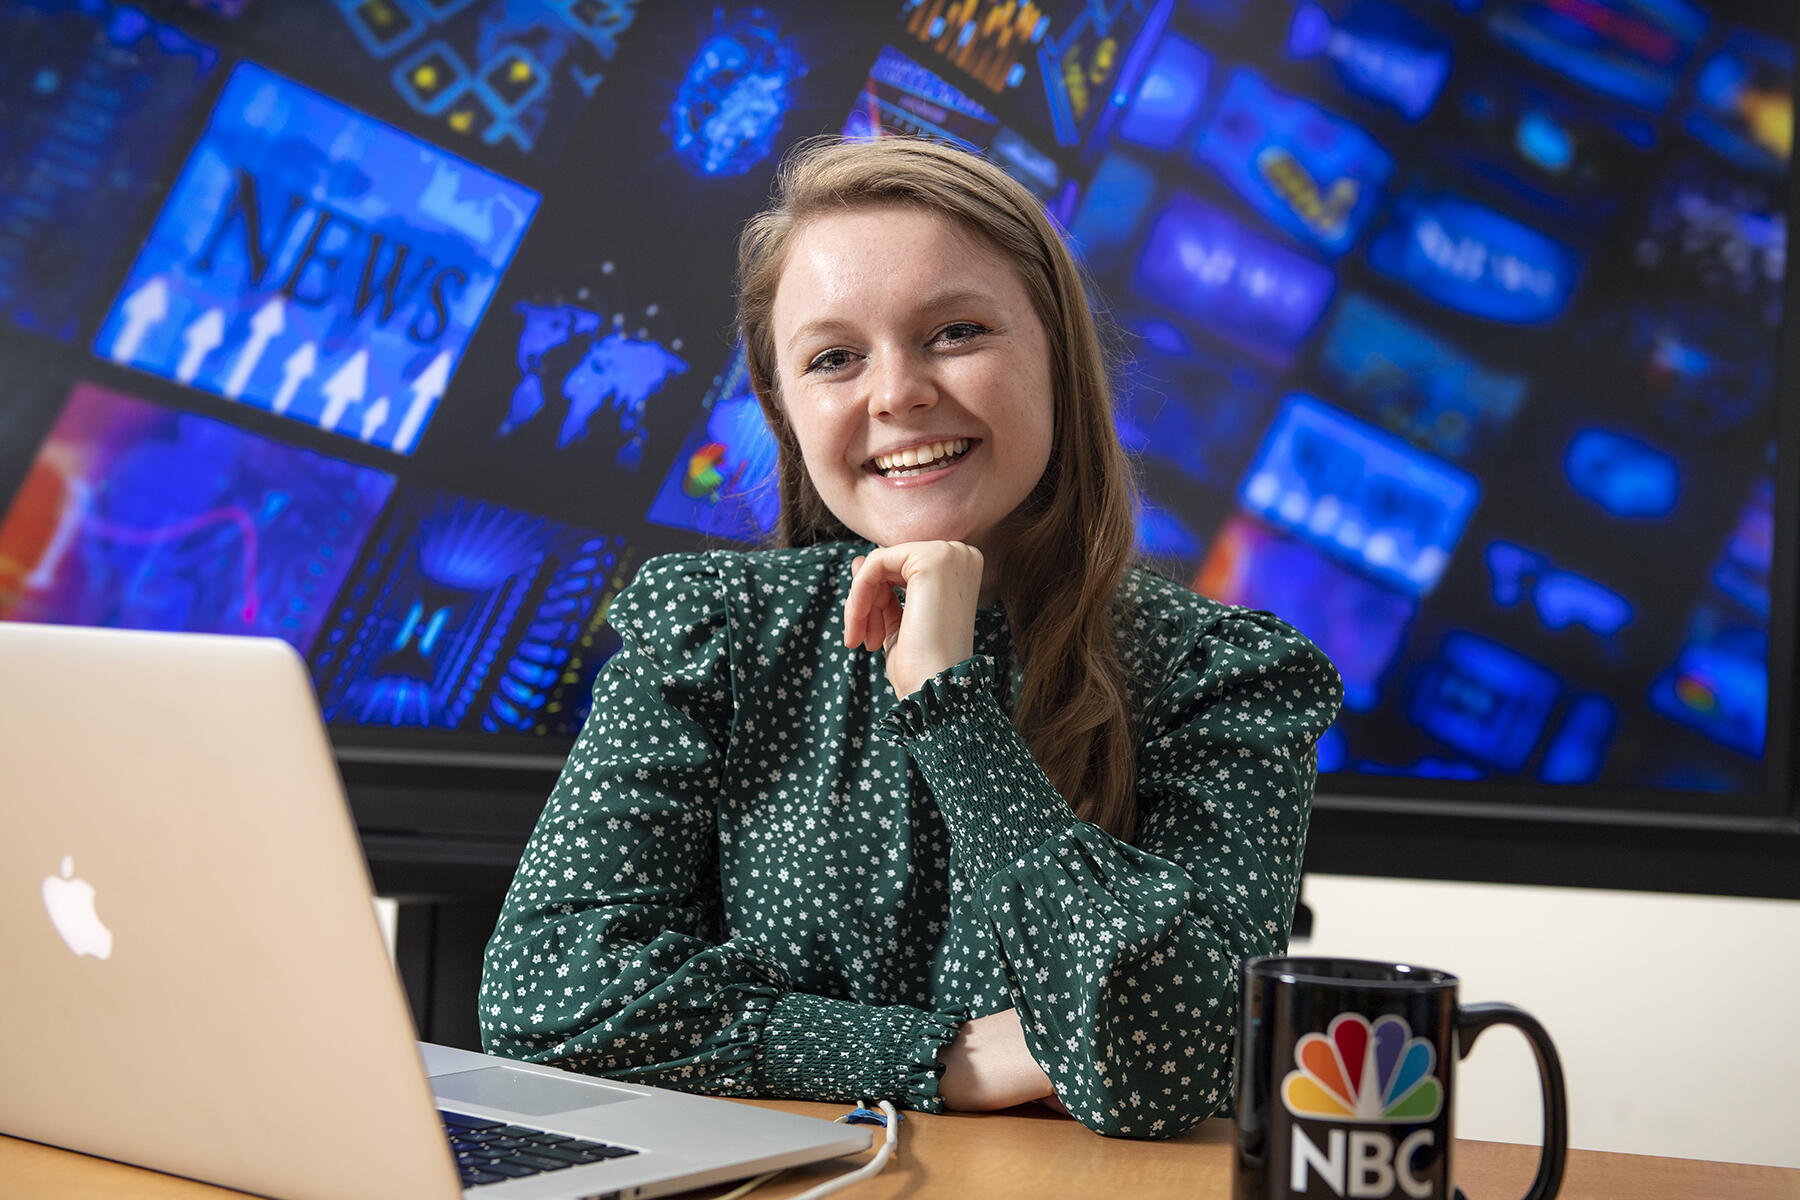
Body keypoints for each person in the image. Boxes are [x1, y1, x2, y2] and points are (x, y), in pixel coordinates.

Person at [479, 136, 1343, 1139]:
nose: (895, 394)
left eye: (955, 331)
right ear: (785, 408)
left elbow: (1181, 1063)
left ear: (1058, 361)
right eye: (835, 357)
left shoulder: (1221, 678)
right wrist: (954, 1058)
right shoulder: (711, 633)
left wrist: (948, 705)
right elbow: (539, 1000)